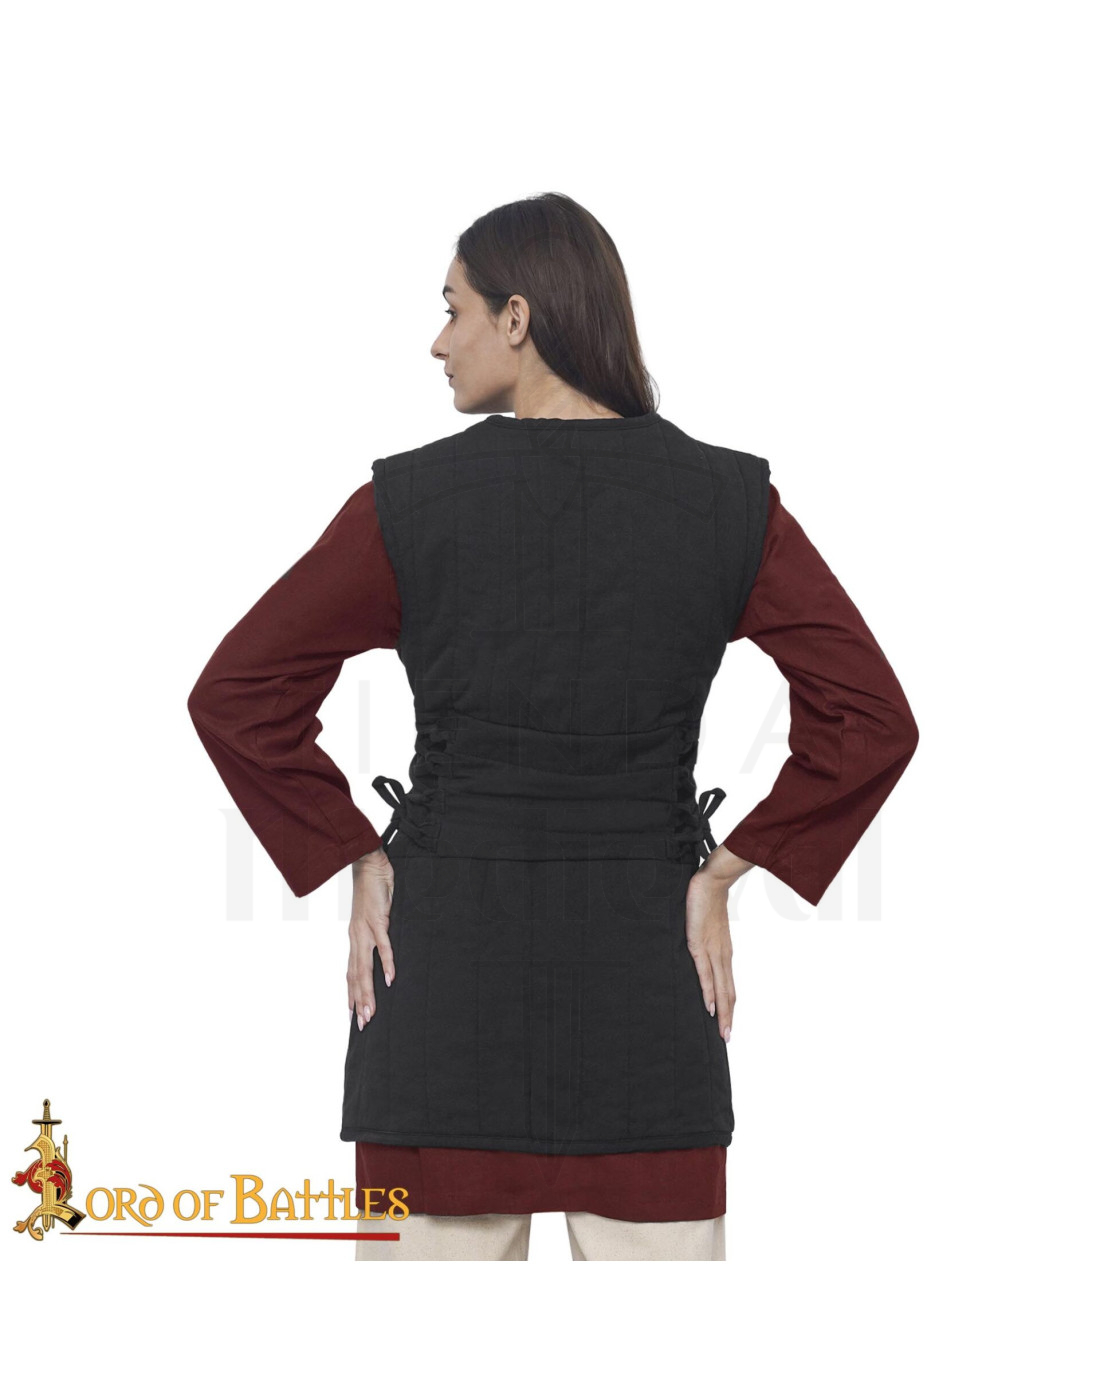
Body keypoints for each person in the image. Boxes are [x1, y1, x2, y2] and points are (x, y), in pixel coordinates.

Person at [187, 192, 919, 1262]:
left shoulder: (409, 503)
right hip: (647, 972)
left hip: (442, 981)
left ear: (517, 318)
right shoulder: (729, 502)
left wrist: (356, 853)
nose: (437, 341)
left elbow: (237, 691)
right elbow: (871, 719)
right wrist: (723, 873)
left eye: (453, 309)